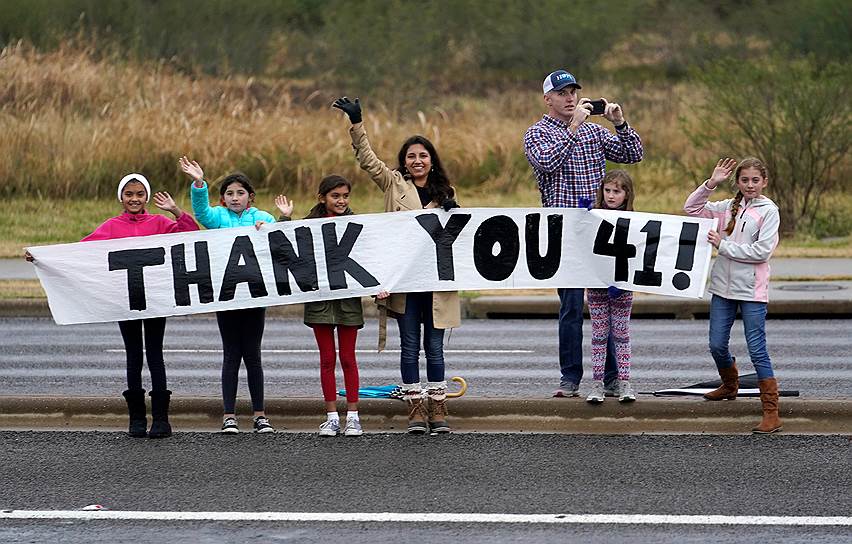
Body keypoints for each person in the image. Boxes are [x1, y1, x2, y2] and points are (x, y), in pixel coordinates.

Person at [27, 173, 199, 438]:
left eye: (140, 194)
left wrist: (176, 211)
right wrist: (42, 256)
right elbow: (78, 252)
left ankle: (162, 420)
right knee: (133, 356)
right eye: (129, 194)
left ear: (146, 197)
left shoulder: (159, 222)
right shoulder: (111, 226)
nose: (134, 199)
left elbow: (191, 235)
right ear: (121, 197)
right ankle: (137, 418)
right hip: (124, 302)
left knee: (155, 355)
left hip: (156, 300)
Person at [333, 96, 459, 435]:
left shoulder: (446, 192)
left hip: (434, 282)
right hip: (404, 282)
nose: (417, 161)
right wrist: (357, 124)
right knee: (409, 346)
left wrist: (453, 209)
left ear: (432, 161)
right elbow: (367, 161)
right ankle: (415, 409)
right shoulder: (394, 184)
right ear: (404, 161)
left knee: (434, 347)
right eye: (411, 156)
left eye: (423, 156)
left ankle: (438, 408)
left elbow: (458, 237)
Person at [523, 69, 644, 398]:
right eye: (562, 93)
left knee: (606, 305)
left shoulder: (595, 132)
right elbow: (547, 163)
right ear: (548, 99)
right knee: (572, 307)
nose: (570, 98)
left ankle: (610, 378)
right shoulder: (537, 133)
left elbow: (633, 155)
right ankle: (570, 376)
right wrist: (573, 127)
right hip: (563, 232)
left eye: (573, 92)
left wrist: (619, 123)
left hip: (599, 232)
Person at [277, 174, 384, 437]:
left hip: (347, 300)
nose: (341, 201)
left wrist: (377, 287)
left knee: (348, 358)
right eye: (335, 196)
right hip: (320, 301)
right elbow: (286, 248)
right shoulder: (309, 226)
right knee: (327, 360)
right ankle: (332, 417)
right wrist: (284, 220)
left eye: (345, 196)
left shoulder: (356, 225)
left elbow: (371, 257)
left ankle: (354, 418)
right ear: (322, 198)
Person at [179, 156, 277, 434]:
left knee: (253, 356)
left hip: (255, 296)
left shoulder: (262, 218)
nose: (235, 198)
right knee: (231, 355)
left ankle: (260, 415)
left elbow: (280, 240)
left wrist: (269, 228)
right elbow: (201, 212)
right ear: (223, 199)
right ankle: (229, 415)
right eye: (230, 194)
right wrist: (199, 183)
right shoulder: (218, 218)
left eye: (240, 193)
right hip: (227, 296)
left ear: (250, 197)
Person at [684, 157, 782, 433]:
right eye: (744, 180)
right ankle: (730, 385)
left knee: (757, 348)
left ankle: (771, 411)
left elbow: (762, 252)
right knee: (716, 345)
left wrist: (723, 245)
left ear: (764, 182)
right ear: (737, 182)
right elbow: (691, 209)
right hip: (722, 289)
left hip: (751, 290)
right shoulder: (727, 207)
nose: (750, 185)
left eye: (755, 180)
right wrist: (711, 183)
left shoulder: (769, 211)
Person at [584, 170, 637, 404]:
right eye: (607, 190)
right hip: (596, 285)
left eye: (617, 191)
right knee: (598, 335)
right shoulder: (594, 216)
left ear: (626, 194)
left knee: (621, 334)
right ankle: (597, 383)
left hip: (622, 287)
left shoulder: (635, 220)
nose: (611, 195)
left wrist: (623, 281)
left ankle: (624, 382)